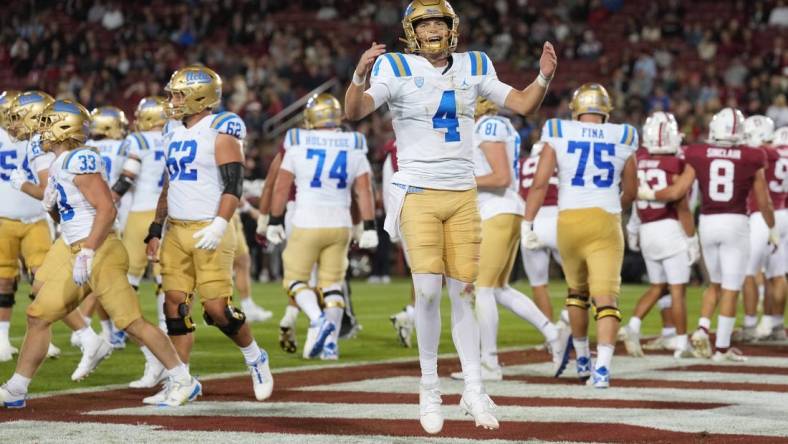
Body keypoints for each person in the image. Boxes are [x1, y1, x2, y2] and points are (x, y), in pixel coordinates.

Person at [345, 0, 557, 433]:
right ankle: (429, 387)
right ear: (411, 31)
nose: (433, 30)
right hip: (419, 190)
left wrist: (543, 77)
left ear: (452, 26)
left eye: (439, 21)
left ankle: (475, 388)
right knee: (425, 292)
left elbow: (522, 103)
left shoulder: (474, 64)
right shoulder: (396, 67)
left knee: (464, 293)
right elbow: (354, 112)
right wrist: (358, 76)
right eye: (425, 24)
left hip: (463, 194)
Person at [0, 99, 200, 408]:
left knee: (131, 322)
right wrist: (49, 204)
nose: (41, 129)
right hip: (75, 248)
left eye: (47, 123)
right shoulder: (58, 162)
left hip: (99, 249)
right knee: (37, 315)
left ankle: (183, 380)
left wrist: (89, 251)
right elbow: (65, 215)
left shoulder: (79, 159)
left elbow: (106, 208)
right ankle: (17, 388)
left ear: (63, 127)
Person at [144, 65, 273, 403]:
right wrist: (156, 227)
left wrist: (219, 223)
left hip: (210, 226)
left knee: (218, 310)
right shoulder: (172, 130)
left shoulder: (221, 128)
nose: (172, 100)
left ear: (200, 97)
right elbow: (170, 182)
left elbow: (233, 185)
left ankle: (255, 357)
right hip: (177, 230)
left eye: (178, 94)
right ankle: (181, 380)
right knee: (174, 304)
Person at [639, 107, 779, 362]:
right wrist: (771, 228)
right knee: (730, 288)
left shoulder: (698, 153)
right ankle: (722, 349)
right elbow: (764, 201)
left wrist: (648, 194)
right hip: (735, 222)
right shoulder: (752, 155)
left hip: (707, 223)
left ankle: (703, 328)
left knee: (715, 283)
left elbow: (677, 190)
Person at [523, 83, 639, 388]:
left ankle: (583, 357)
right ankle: (602, 369)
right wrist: (612, 204)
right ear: (605, 110)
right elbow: (632, 191)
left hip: (569, 219)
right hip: (604, 219)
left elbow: (539, 183)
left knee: (576, 293)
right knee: (606, 298)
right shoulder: (623, 134)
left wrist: (528, 222)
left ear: (576, 109)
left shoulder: (558, 129)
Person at [452, 98, 570, 383]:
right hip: (504, 210)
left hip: (497, 210)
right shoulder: (495, 125)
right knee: (498, 289)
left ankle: (490, 363)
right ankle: (554, 335)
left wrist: (460, 179)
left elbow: (501, 177)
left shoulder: (488, 125)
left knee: (481, 289)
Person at [266, 93, 377, 360]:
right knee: (332, 286)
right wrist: (369, 225)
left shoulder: (297, 140)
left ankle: (318, 320)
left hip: (307, 221)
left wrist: (274, 220)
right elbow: (363, 190)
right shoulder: (353, 142)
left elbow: (281, 187)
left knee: (294, 281)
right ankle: (331, 346)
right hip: (340, 225)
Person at [621, 111, 698, 359]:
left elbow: (632, 197)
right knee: (677, 290)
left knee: (658, 286)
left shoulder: (638, 158)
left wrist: (632, 228)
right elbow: (682, 206)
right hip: (668, 228)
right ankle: (682, 343)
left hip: (646, 228)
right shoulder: (676, 163)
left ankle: (633, 325)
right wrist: (691, 239)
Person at [110, 96, 170, 388]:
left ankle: (134, 334)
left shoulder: (138, 141)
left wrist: (109, 199)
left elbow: (127, 178)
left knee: (126, 282)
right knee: (166, 281)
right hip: (168, 213)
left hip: (141, 213)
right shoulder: (176, 135)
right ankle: (165, 332)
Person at [738, 116, 786, 342]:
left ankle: (749, 326)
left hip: (762, 215)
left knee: (748, 272)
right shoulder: (782, 152)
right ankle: (775, 325)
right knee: (777, 274)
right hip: (784, 212)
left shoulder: (760, 154)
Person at [519, 141, 567, 325]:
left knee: (538, 284)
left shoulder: (522, 163)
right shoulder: (560, 162)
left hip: (531, 222)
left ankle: (551, 335)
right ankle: (565, 323)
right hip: (557, 219)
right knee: (578, 281)